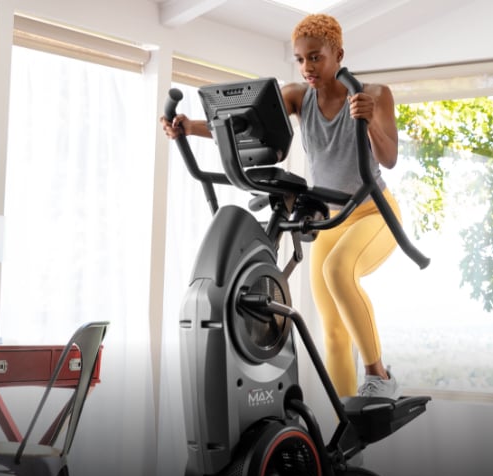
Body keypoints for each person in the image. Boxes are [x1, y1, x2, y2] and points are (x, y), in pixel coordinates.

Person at [160, 14, 403, 400]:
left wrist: (370, 120)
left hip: (373, 212)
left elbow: (388, 159)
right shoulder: (297, 96)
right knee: (333, 328)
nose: (307, 67)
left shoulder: (374, 93)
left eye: (316, 58)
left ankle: (379, 376)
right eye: (300, 59)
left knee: (339, 272)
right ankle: (346, 419)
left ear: (338, 54)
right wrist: (191, 126)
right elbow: (244, 123)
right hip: (329, 218)